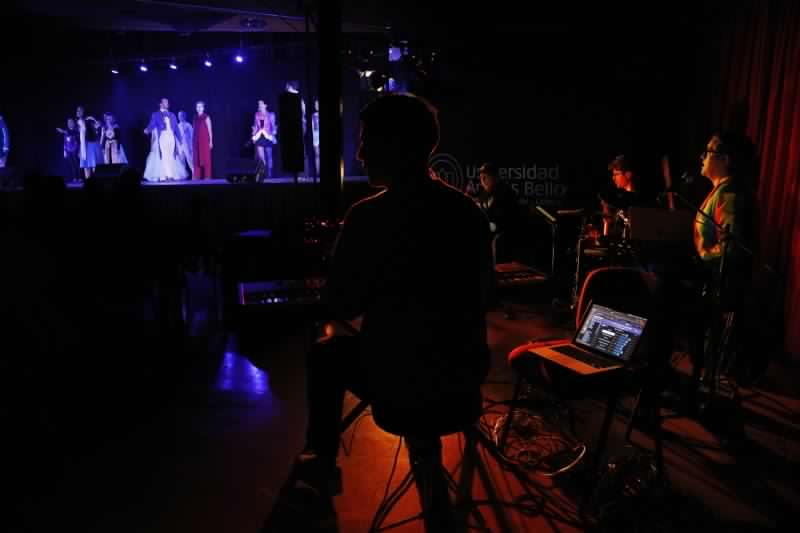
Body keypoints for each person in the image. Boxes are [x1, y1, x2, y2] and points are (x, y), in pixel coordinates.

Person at [284, 94, 494, 515]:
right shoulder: (468, 212)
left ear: (397, 145)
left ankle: (321, 461)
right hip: (461, 386)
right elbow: (484, 295)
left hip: (401, 391)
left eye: (368, 141)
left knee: (327, 352)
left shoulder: (367, 217)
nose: (360, 154)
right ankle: (426, 446)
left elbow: (341, 303)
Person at [690, 131, 756, 403]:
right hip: (711, 277)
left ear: (725, 159)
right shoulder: (721, 189)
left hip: (717, 282)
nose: (702, 157)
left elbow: (731, 246)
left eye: (708, 151)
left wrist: (703, 256)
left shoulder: (729, 193)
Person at [474, 162, 519, 263]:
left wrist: (490, 225)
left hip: (505, 232)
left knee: (496, 241)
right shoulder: (484, 194)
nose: (482, 180)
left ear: (495, 177)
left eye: (486, 177)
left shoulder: (506, 193)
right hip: (490, 230)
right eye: (481, 178)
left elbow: (505, 219)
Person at [143, 98, 186, 182]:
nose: (167, 103)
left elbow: (176, 128)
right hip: (163, 135)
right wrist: (148, 129)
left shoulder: (172, 115)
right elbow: (152, 124)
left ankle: (170, 174)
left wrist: (180, 140)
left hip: (171, 136)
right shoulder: (156, 114)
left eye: (167, 102)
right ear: (160, 104)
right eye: (164, 102)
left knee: (171, 155)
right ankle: (164, 175)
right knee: (164, 155)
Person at [251, 99, 276, 181]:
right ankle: (263, 173)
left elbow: (273, 127)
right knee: (261, 157)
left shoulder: (271, 115)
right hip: (259, 137)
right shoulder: (256, 115)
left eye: (261, 104)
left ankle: (270, 173)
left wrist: (273, 135)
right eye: (259, 104)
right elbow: (255, 126)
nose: (260, 105)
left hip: (268, 136)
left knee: (269, 156)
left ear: (265, 105)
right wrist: (253, 135)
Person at [76, 106, 101, 179]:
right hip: (83, 147)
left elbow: (97, 127)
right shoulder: (78, 122)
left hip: (91, 145)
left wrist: (96, 125)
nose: (77, 112)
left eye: (80, 110)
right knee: (86, 166)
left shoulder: (89, 119)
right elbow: (80, 138)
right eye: (77, 110)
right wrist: (79, 149)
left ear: (83, 111)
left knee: (93, 164)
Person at [192, 101, 212, 180]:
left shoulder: (206, 117)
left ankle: (207, 176)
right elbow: (194, 130)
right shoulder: (195, 118)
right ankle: (197, 176)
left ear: (203, 108)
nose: (199, 108)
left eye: (200, 106)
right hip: (196, 140)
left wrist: (211, 141)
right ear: (196, 108)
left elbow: (210, 130)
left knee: (206, 158)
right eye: (198, 107)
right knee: (196, 158)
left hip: (204, 140)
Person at [56, 118, 81, 182]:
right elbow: (65, 141)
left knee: (77, 164)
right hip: (68, 150)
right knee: (71, 165)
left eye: (70, 122)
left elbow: (78, 140)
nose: (69, 124)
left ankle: (79, 177)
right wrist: (64, 151)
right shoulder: (66, 130)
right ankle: (74, 178)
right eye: (68, 122)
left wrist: (79, 151)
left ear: (73, 123)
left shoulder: (76, 130)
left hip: (75, 150)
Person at [177, 111, 194, 179]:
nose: (179, 117)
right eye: (179, 116)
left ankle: (194, 173)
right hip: (180, 146)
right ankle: (183, 175)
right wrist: (177, 147)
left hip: (187, 145)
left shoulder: (188, 125)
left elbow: (192, 136)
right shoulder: (178, 126)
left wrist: (191, 146)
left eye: (181, 115)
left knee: (190, 160)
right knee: (181, 161)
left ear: (184, 116)